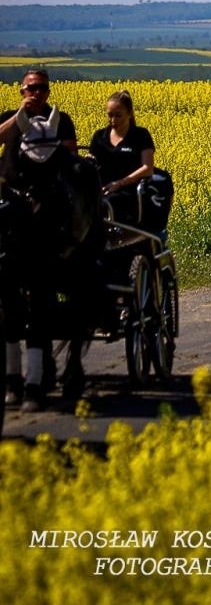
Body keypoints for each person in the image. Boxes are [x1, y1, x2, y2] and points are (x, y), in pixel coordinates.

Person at [0, 69, 78, 412]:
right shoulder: (10, 118)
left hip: (47, 210)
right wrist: (19, 123)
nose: (36, 93)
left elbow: (70, 160)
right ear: (21, 90)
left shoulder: (60, 120)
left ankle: (31, 381)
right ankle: (13, 379)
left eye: (42, 88)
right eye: (31, 88)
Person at [89, 90, 156, 227]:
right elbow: (92, 161)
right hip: (102, 189)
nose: (113, 120)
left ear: (129, 114)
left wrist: (119, 184)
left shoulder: (140, 135)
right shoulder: (99, 136)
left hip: (129, 190)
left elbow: (147, 168)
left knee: (109, 202)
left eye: (118, 116)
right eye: (110, 115)